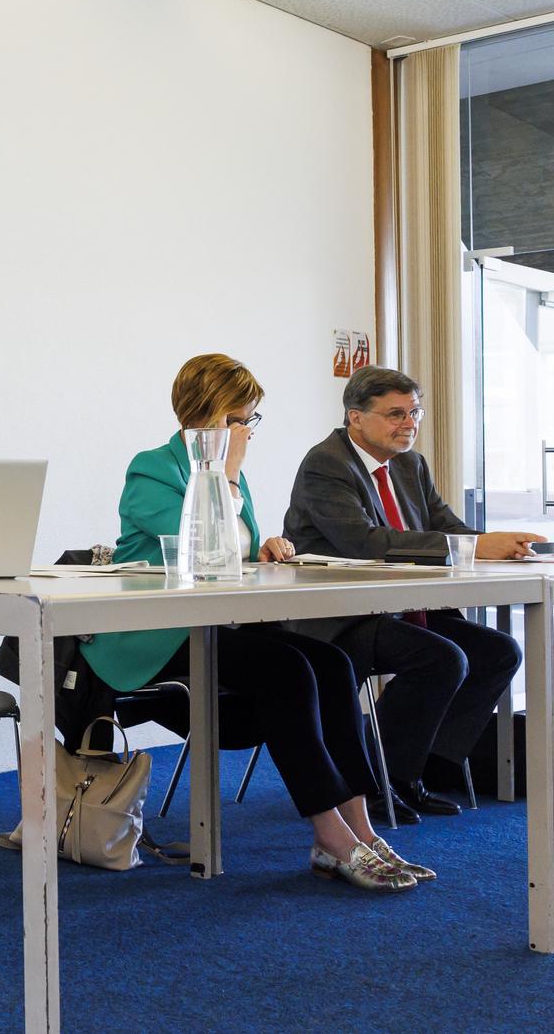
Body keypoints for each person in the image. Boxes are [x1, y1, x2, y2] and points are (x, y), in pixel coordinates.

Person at [81, 353, 426, 891]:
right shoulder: (153, 468)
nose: (245, 431)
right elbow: (203, 543)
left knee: (332, 664)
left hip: (220, 622)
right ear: (200, 415)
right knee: (284, 672)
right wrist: (228, 472)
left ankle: (359, 826)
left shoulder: (231, 477)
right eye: (235, 419)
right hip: (156, 633)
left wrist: (264, 547)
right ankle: (330, 836)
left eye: (249, 420)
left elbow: (233, 555)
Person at [284, 365, 533, 822]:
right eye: (396, 414)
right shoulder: (326, 464)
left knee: (499, 651)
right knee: (442, 660)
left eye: (415, 412)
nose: (410, 424)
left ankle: (432, 765)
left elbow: (447, 529)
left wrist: (506, 546)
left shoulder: (410, 464)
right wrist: (474, 546)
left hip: (402, 608)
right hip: (342, 615)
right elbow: (365, 542)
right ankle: (383, 779)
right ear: (355, 417)